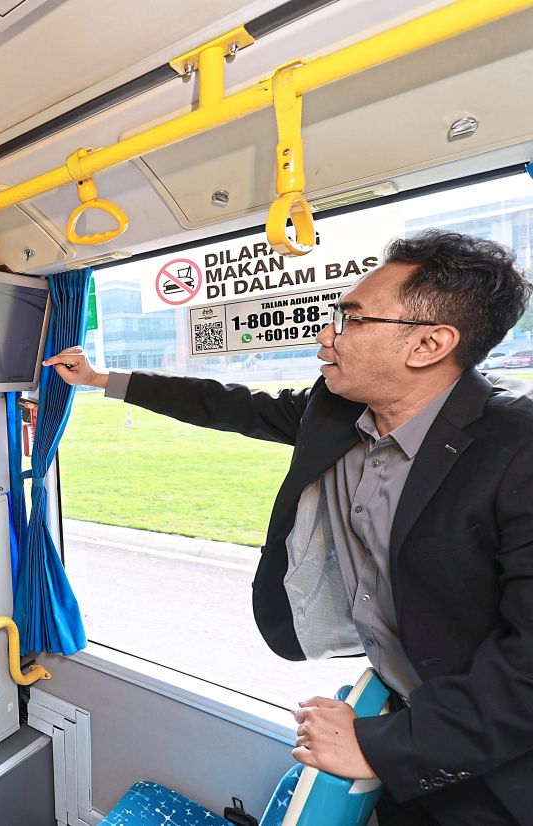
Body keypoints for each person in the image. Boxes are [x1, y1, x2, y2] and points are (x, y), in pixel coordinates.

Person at [44, 231, 533, 826]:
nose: (326, 335)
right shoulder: (336, 410)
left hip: (500, 769)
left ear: (429, 343)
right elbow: (232, 405)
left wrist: (389, 745)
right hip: (406, 715)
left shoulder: (518, 447)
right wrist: (102, 380)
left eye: (351, 319)